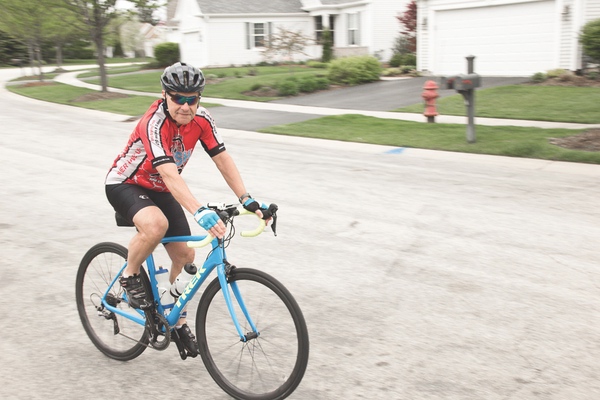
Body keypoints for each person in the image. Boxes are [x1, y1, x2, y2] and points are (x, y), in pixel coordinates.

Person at [105, 62, 266, 355]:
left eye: (192, 99)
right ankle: (130, 276)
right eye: (178, 98)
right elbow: (168, 172)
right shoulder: (153, 123)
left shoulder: (202, 119)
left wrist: (247, 199)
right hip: (126, 184)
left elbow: (222, 159)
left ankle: (174, 320)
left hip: (162, 188)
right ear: (165, 95)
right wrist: (199, 211)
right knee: (155, 226)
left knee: (186, 256)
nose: (185, 105)